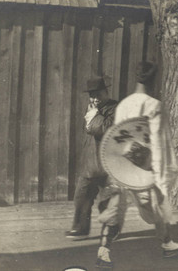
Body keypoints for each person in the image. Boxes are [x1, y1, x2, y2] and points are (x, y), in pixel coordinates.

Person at [95, 62, 178, 269]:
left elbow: (116, 136)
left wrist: (115, 164)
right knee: (158, 201)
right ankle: (167, 243)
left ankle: (104, 250)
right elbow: (159, 142)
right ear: (154, 80)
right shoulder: (155, 105)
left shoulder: (124, 104)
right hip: (145, 163)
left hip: (123, 162)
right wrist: (160, 174)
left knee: (116, 203)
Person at [65, 76, 118, 239]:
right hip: (90, 162)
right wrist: (93, 115)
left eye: (98, 94)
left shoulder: (115, 108)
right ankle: (80, 228)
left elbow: (107, 128)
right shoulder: (91, 109)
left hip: (108, 163)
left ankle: (111, 230)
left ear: (106, 92)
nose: (95, 99)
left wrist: (94, 115)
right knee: (81, 198)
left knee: (108, 201)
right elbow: (89, 130)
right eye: (92, 95)